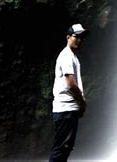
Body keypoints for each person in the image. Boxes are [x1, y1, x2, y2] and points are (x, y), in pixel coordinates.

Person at [49, 23, 89, 162]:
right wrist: (82, 102)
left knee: (65, 146)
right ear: (68, 37)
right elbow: (71, 84)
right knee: (61, 147)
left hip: (68, 110)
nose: (80, 39)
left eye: (82, 37)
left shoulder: (71, 56)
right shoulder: (66, 56)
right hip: (65, 110)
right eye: (76, 36)